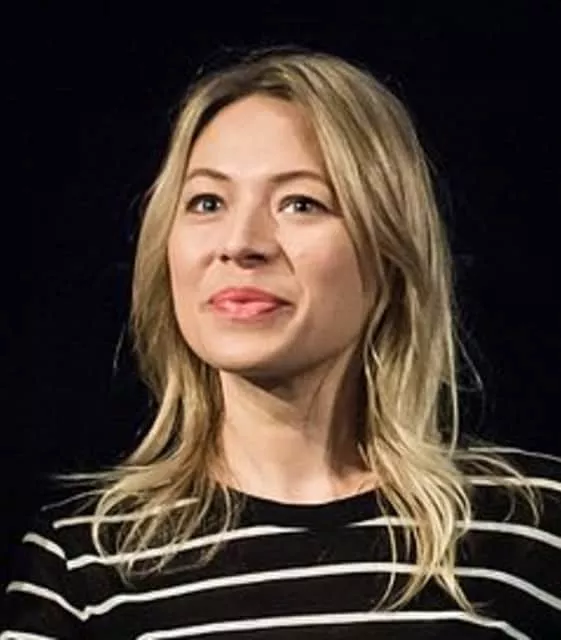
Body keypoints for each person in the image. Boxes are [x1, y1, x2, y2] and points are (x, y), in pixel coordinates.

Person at [2, 46, 560, 639]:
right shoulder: (86, 565)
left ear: (390, 253)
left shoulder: (531, 529)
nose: (241, 243)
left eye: (301, 203)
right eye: (207, 202)